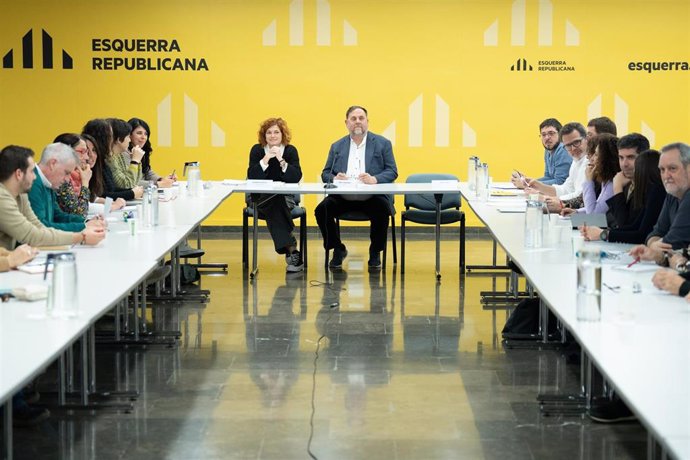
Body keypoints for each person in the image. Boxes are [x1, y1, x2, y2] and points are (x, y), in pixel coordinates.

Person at [315, 106, 398, 269]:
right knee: (322, 210)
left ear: (367, 121)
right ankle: (337, 248)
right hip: (343, 197)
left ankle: (375, 252)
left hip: (371, 197)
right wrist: (334, 177)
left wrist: (375, 179)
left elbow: (392, 171)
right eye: (353, 119)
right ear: (346, 123)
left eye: (361, 118)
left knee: (382, 209)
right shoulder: (337, 146)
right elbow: (326, 173)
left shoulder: (382, 143)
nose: (357, 122)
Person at [0, 145, 105, 250]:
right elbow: (32, 234)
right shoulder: (3, 198)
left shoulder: (22, 194)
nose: (35, 176)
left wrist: (84, 224)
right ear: (19, 174)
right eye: (32, 171)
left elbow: (38, 227)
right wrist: (82, 236)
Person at [246, 118, 304, 272]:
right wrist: (266, 159)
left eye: (276, 132)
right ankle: (291, 249)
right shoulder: (257, 150)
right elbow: (252, 176)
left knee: (277, 199)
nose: (272, 136)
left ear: (282, 134)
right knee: (274, 200)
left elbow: (295, 177)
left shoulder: (290, 151)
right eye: (269, 133)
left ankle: (286, 247)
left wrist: (280, 159)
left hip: (285, 199)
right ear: (264, 136)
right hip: (260, 199)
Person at [581, 150, 665, 243]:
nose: (592, 159)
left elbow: (640, 233)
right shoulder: (645, 188)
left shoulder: (656, 191)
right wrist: (600, 232)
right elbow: (634, 226)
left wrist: (603, 234)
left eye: (597, 155)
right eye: (621, 158)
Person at [629, 142, 690, 264]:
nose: (666, 176)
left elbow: (673, 241)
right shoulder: (672, 194)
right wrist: (654, 245)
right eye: (662, 170)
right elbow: (655, 232)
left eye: (672, 168)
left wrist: (654, 247)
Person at [27, 142, 105, 232]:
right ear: (53, 164)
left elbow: (58, 216)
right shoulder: (32, 182)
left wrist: (87, 222)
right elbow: (41, 226)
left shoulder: (48, 182)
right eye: (67, 173)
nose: (68, 179)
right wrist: (83, 227)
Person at [525, 122, 589, 212]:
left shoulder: (590, 161)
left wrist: (548, 199)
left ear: (587, 139)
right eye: (568, 146)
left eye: (577, 142)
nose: (573, 148)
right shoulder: (576, 160)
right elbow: (566, 188)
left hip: (590, 216)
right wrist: (538, 186)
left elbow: (581, 197)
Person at [83, 118, 143, 201]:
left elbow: (112, 189)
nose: (112, 140)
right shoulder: (101, 160)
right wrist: (135, 161)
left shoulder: (104, 159)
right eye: (110, 136)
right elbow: (126, 184)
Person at [562, 133, 620, 216]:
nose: (591, 158)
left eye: (596, 154)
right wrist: (577, 212)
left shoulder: (613, 183)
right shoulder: (606, 179)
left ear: (606, 158)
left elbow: (593, 214)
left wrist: (588, 181)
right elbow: (597, 207)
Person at [511, 118, 571, 188]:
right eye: (543, 134)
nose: (547, 137)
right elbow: (548, 177)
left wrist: (528, 184)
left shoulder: (563, 150)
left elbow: (560, 182)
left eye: (551, 133)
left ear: (560, 134)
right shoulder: (548, 150)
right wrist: (527, 181)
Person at [128, 117, 176, 188]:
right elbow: (130, 182)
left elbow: (147, 172)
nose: (143, 137)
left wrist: (162, 179)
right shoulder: (124, 153)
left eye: (145, 134)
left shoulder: (141, 151)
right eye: (139, 133)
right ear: (129, 135)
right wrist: (157, 184)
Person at [53, 133, 91, 217]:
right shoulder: (60, 177)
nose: (87, 157)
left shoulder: (76, 176)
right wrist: (85, 183)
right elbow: (79, 214)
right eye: (82, 152)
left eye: (86, 152)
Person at [106, 118, 144, 190]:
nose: (129, 140)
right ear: (119, 139)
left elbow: (135, 182)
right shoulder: (109, 159)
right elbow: (127, 184)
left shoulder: (119, 155)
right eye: (128, 137)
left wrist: (137, 161)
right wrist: (135, 161)